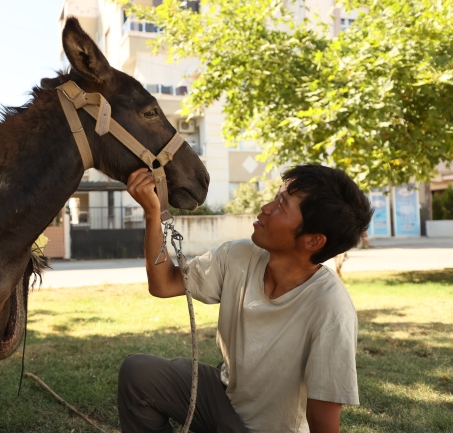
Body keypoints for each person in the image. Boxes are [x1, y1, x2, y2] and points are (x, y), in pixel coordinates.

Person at [118, 164, 374, 433]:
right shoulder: (240, 255)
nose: (265, 207)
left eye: (282, 205)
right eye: (275, 197)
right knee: (139, 373)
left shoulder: (331, 307)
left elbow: (323, 417)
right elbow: (163, 283)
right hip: (223, 401)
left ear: (312, 241)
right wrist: (153, 213)